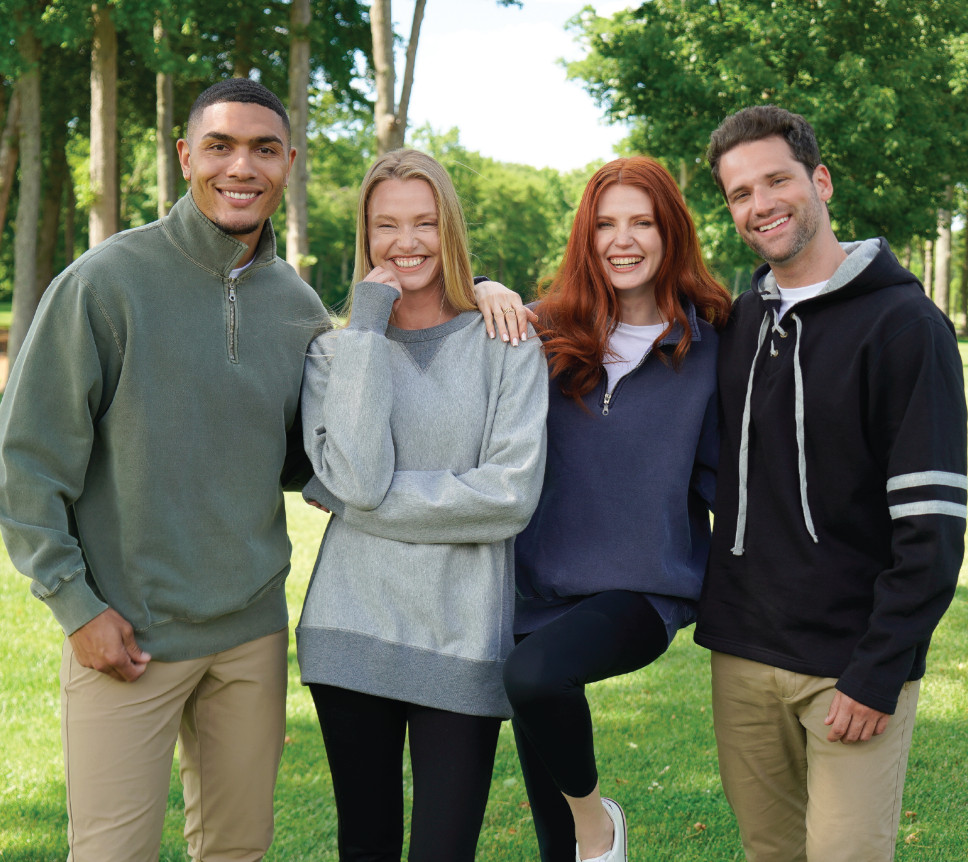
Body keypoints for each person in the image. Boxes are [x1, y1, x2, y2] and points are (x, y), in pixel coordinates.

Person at [0, 79, 327, 861]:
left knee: (237, 853)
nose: (240, 166)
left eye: (263, 148)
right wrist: (75, 606)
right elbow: (27, 462)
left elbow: (311, 460)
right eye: (219, 145)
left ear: (287, 164)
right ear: (186, 156)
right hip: (126, 636)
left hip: (250, 636)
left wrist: (470, 292)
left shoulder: (299, 308)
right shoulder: (104, 283)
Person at [694, 105, 967, 862]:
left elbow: (934, 525)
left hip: (852, 664)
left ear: (820, 180)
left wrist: (879, 670)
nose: (760, 205)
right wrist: (487, 289)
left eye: (776, 180)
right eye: (740, 194)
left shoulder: (906, 326)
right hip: (743, 657)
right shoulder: (739, 323)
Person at [298, 148, 548, 862]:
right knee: (366, 845)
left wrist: (355, 502)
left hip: (462, 636)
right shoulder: (335, 355)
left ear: (452, 230)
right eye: (386, 226)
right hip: (349, 631)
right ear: (366, 236)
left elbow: (508, 497)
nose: (405, 243)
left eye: (424, 223)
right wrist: (369, 322)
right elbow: (358, 470)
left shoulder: (507, 341)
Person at [481, 156, 731, 862]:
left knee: (533, 679)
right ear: (586, 240)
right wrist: (482, 285)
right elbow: (443, 318)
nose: (623, 241)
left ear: (670, 233)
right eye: (605, 225)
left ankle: (602, 827)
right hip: (539, 594)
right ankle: (582, 838)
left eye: (641, 223)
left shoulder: (713, 344)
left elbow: (736, 475)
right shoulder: (545, 331)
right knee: (553, 840)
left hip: (644, 592)